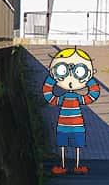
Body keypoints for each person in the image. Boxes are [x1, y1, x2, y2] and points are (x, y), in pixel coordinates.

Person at [42, 46, 101, 174]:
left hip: (68, 126)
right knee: (68, 145)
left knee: (72, 145)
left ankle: (73, 165)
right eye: (63, 70)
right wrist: (89, 80)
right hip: (71, 126)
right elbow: (92, 95)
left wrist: (51, 78)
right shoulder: (70, 98)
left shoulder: (68, 98)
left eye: (79, 71)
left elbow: (49, 96)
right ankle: (67, 165)